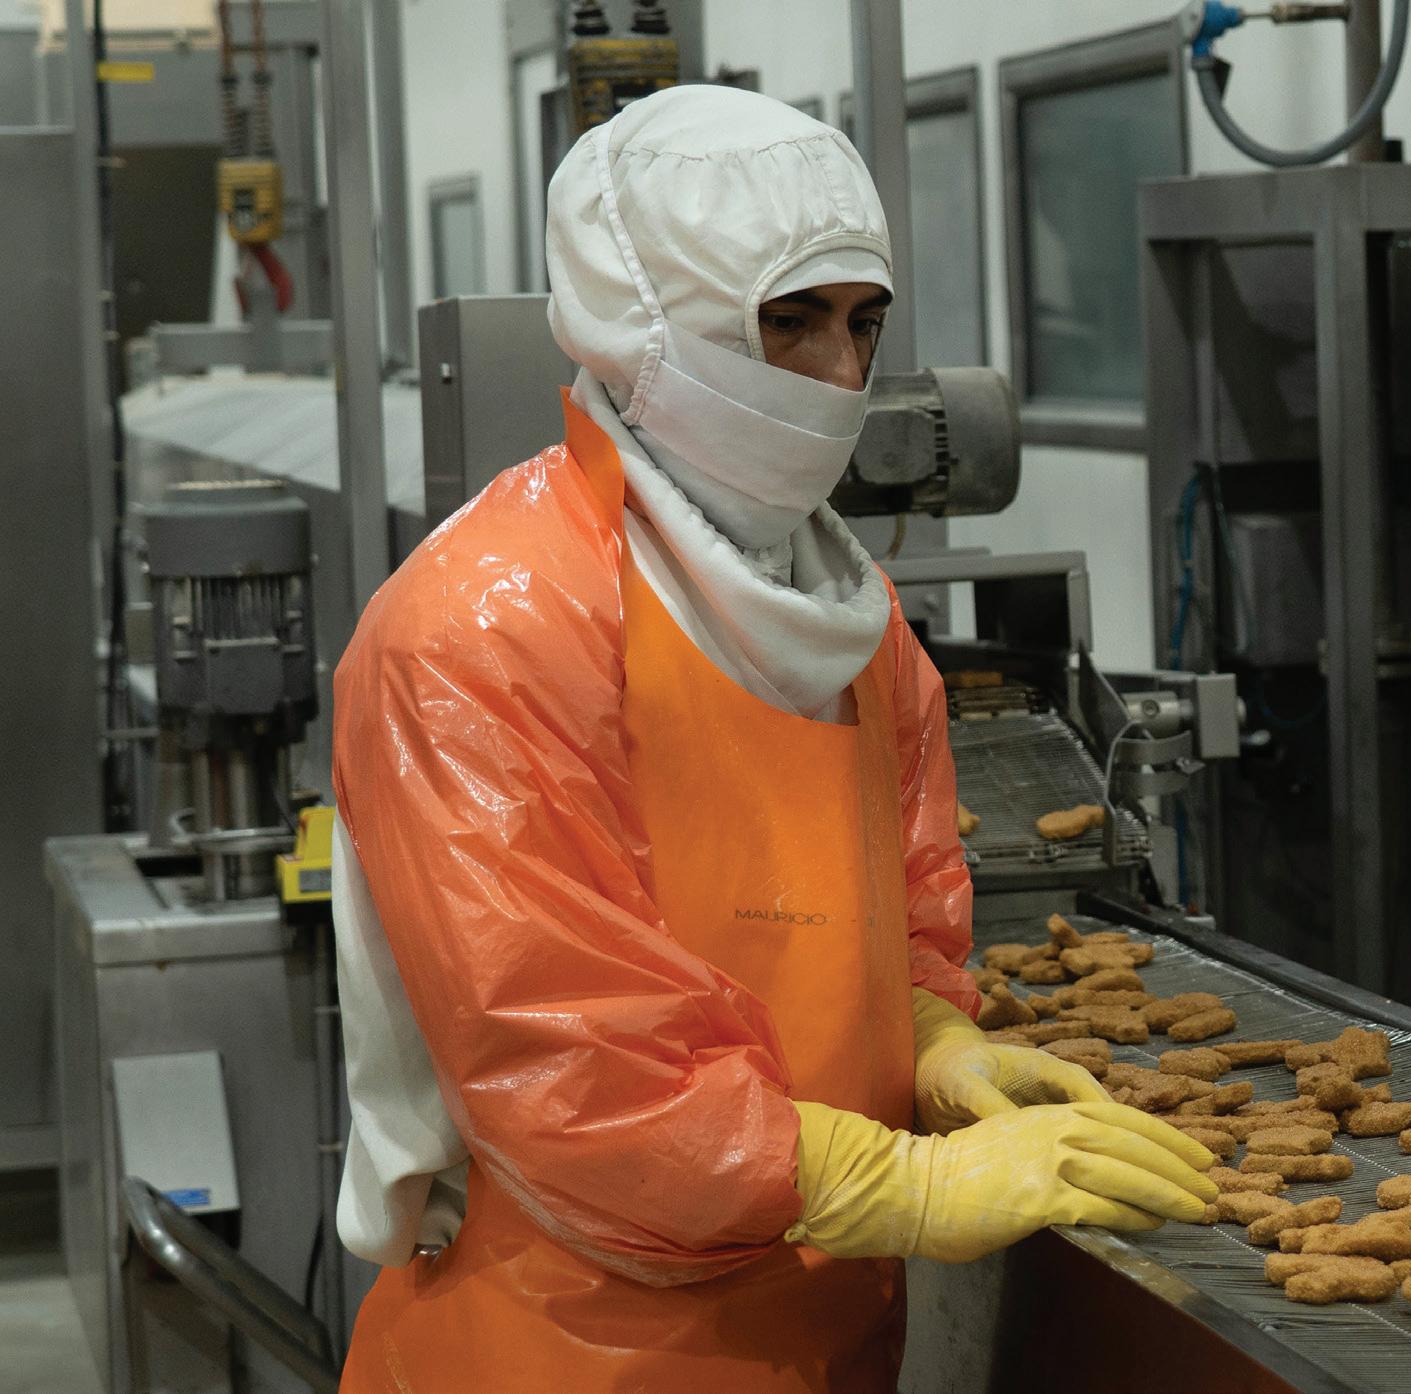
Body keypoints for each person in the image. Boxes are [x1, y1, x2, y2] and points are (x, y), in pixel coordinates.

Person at [327, 85, 1215, 1392]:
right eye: (786, 323)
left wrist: (933, 1042)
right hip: (566, 1338)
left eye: (863, 322)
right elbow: (565, 1063)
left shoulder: (850, 617)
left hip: (825, 1321)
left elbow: (897, 912)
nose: (839, 375)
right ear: (643, 324)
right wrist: (898, 1182)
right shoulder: (482, 629)